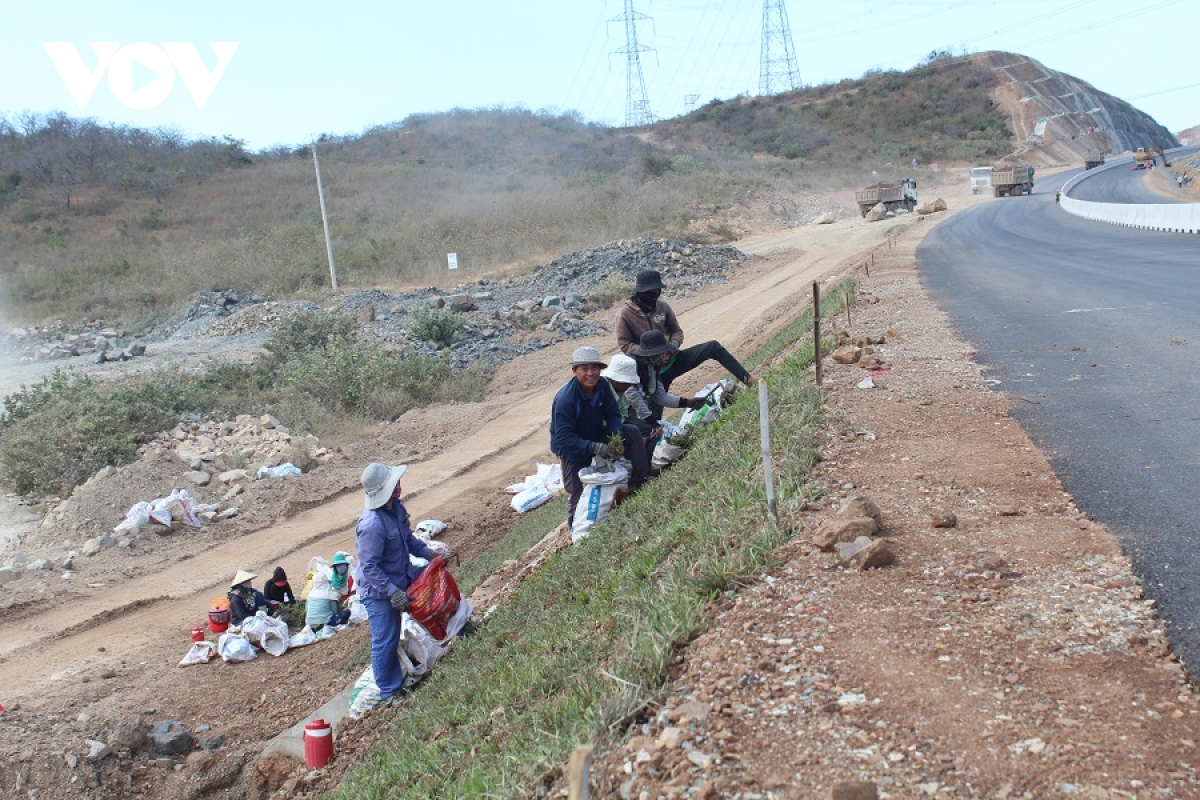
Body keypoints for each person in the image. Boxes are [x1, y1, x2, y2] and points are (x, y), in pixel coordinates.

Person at [355, 462, 438, 705]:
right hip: (379, 591)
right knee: (386, 639)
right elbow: (370, 567)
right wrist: (392, 592)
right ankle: (390, 692)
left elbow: (409, 540)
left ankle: (462, 629)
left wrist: (429, 555)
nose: (399, 485)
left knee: (436, 595)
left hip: (402, 574)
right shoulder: (371, 525)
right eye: (394, 483)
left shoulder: (396, 508)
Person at [550, 346, 649, 529]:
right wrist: (595, 448)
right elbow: (564, 437)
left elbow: (612, 414)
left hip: (595, 432)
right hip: (572, 446)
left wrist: (615, 436)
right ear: (574, 371)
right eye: (584, 369)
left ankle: (639, 482)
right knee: (577, 491)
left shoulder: (602, 385)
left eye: (594, 368)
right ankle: (576, 531)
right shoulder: (567, 399)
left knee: (632, 432)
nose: (590, 374)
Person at [616, 269, 755, 397]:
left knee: (713, 347)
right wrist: (651, 353)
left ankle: (748, 380)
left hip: (673, 358)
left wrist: (672, 346)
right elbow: (625, 345)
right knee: (654, 413)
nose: (654, 296)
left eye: (657, 292)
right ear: (640, 292)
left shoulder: (662, 306)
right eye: (651, 292)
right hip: (652, 371)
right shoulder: (625, 314)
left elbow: (676, 330)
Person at [631, 331, 719, 422]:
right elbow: (632, 396)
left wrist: (688, 403)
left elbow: (660, 397)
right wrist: (650, 421)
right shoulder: (633, 367)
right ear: (652, 355)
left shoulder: (651, 369)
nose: (666, 358)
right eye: (661, 354)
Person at [305, 556, 352, 631]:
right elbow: (334, 612)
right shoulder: (329, 595)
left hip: (310, 627)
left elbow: (307, 610)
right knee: (347, 612)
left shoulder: (310, 595)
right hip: (324, 625)